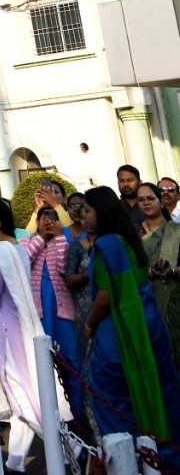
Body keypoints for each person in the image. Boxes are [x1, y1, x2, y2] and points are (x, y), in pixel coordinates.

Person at [0, 198, 68, 473]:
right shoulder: (18, 249)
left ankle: (67, 447)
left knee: (23, 397)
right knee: (25, 397)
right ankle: (15, 462)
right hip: (25, 326)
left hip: (5, 330)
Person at [83, 185, 180, 445]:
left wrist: (90, 322)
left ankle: (136, 456)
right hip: (149, 323)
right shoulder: (128, 238)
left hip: (122, 328)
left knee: (114, 395)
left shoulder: (107, 245)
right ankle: (163, 450)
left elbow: (106, 294)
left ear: (101, 212)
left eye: (88, 210)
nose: (83, 216)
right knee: (160, 386)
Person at [22, 207, 81, 420]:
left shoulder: (65, 241)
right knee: (46, 365)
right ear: (36, 222)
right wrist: (40, 238)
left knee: (70, 361)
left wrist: (58, 237)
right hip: (39, 312)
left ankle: (77, 416)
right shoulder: (27, 242)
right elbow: (24, 260)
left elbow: (64, 268)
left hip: (62, 311)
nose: (48, 222)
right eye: (43, 219)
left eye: (52, 219)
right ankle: (53, 417)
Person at [146, 197, 180, 375]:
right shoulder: (134, 235)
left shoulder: (175, 231)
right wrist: (150, 272)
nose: (145, 202)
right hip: (149, 303)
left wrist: (173, 271)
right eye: (141, 199)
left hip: (176, 299)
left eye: (150, 198)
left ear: (160, 202)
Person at [63, 197, 95, 368]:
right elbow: (68, 279)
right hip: (84, 307)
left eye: (87, 216)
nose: (85, 221)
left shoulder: (108, 241)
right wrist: (87, 275)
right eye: (82, 218)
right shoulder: (75, 246)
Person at [117, 165, 146, 231]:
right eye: (121, 181)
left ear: (139, 182)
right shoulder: (114, 207)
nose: (125, 184)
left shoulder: (148, 204)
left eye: (130, 180)